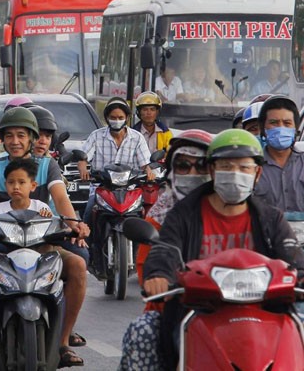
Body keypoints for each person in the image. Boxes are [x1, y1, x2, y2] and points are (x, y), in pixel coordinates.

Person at [136, 129, 304, 370]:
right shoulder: (183, 215)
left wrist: (301, 274)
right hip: (197, 310)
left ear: (257, 173)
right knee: (142, 332)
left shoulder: (270, 218)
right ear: (213, 171)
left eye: (244, 168)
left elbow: (292, 255)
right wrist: (160, 275)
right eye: (226, 166)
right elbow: (167, 249)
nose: (235, 174)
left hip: (267, 311)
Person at [0, 107, 89, 367]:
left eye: (21, 135)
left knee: (79, 264)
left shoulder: (48, 165)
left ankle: (63, 340)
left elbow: (61, 198)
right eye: (9, 136)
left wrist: (75, 223)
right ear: (2, 139)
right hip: (0, 248)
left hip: (42, 245)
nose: (15, 141)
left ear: (31, 137)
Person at [134, 129, 214, 285]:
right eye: (183, 165)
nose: (192, 173)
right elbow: (146, 269)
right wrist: (157, 282)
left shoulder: (228, 209)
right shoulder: (159, 217)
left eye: (201, 165)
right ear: (171, 171)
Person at [79, 97, 153, 225]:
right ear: (107, 118)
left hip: (129, 190)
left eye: (120, 117)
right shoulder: (96, 136)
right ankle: (85, 242)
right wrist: (83, 168)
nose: (116, 121)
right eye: (113, 117)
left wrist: (149, 172)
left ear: (127, 118)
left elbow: (145, 163)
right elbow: (83, 158)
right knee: (89, 210)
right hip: (101, 188)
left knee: (144, 215)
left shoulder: (137, 138)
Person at [253, 95, 304, 212]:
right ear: (263, 129)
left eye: (287, 123)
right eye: (274, 123)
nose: (281, 128)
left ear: (296, 130)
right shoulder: (251, 166)